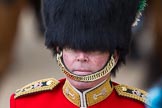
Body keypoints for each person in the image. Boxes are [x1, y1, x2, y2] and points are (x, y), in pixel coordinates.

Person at [10, 0, 148, 108]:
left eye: (94, 49)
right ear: (59, 50)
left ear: (115, 54)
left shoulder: (141, 105)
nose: (81, 57)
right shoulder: (26, 104)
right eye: (72, 47)